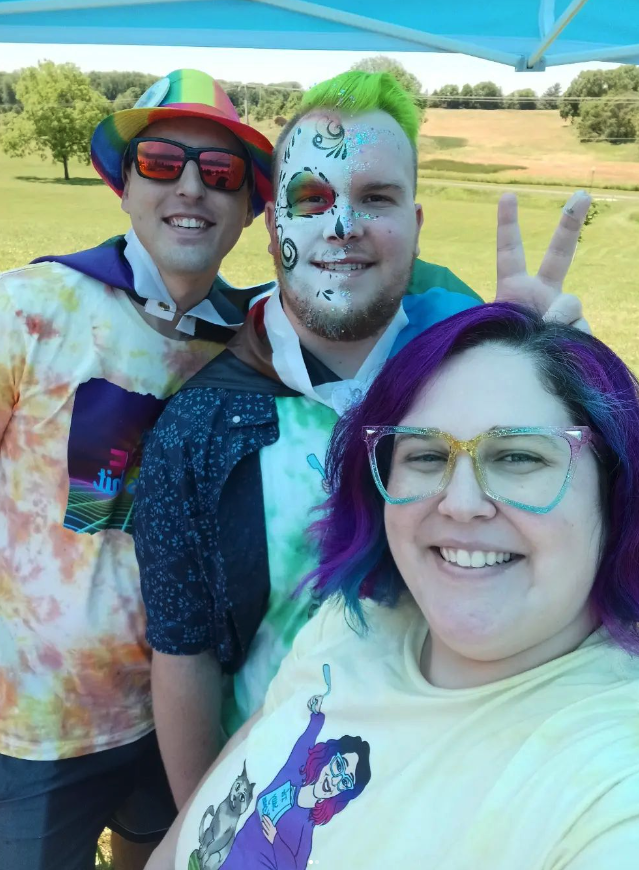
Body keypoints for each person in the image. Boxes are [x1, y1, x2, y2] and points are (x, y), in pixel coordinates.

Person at [134, 70, 591, 809]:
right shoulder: (199, 426)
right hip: (274, 804)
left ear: (416, 220)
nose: (342, 225)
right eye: (312, 199)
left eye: (375, 198)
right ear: (274, 224)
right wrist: (200, 831)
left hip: (461, 791)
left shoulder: (467, 385)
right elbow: (183, 654)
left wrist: (550, 378)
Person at [148, 301, 639, 870]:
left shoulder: (606, 785)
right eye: (426, 454)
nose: (461, 503)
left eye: (518, 455)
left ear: (614, 490)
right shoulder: (348, 626)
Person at [0, 68, 274, 870]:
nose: (192, 187)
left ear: (250, 209)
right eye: (163, 163)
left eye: (222, 172)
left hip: (188, 709)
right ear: (125, 184)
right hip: (39, 722)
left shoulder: (257, 347)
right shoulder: (24, 309)